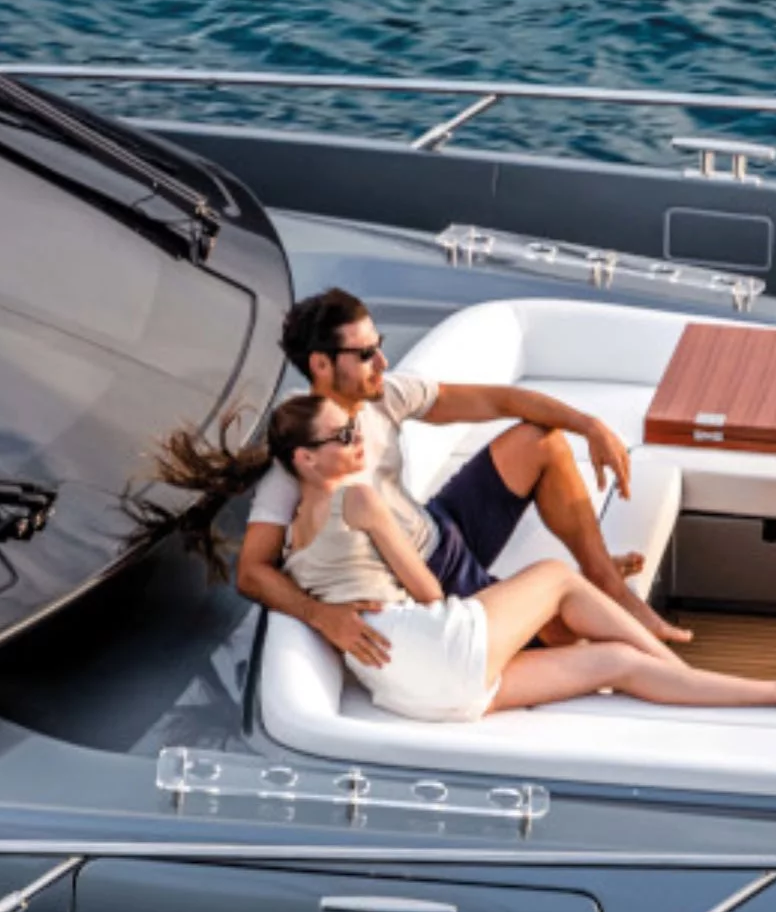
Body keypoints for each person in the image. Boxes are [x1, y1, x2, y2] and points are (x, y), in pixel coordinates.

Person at [220, 395, 776, 722]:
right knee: (554, 577)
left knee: (613, 662)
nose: (359, 439)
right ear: (305, 459)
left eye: (355, 428)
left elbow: (260, 579)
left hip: (413, 696)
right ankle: (687, 668)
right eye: (344, 436)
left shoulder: (288, 543)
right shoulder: (360, 499)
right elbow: (431, 594)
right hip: (431, 645)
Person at [230, 285, 692, 675]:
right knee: (562, 630)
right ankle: (576, 592)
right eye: (366, 354)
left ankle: (604, 580)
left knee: (540, 442)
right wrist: (320, 616)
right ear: (321, 365)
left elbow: (499, 402)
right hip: (422, 579)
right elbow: (252, 571)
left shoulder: (383, 395)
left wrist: (589, 425)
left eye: (379, 344)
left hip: (438, 525)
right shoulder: (302, 452)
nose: (383, 362)